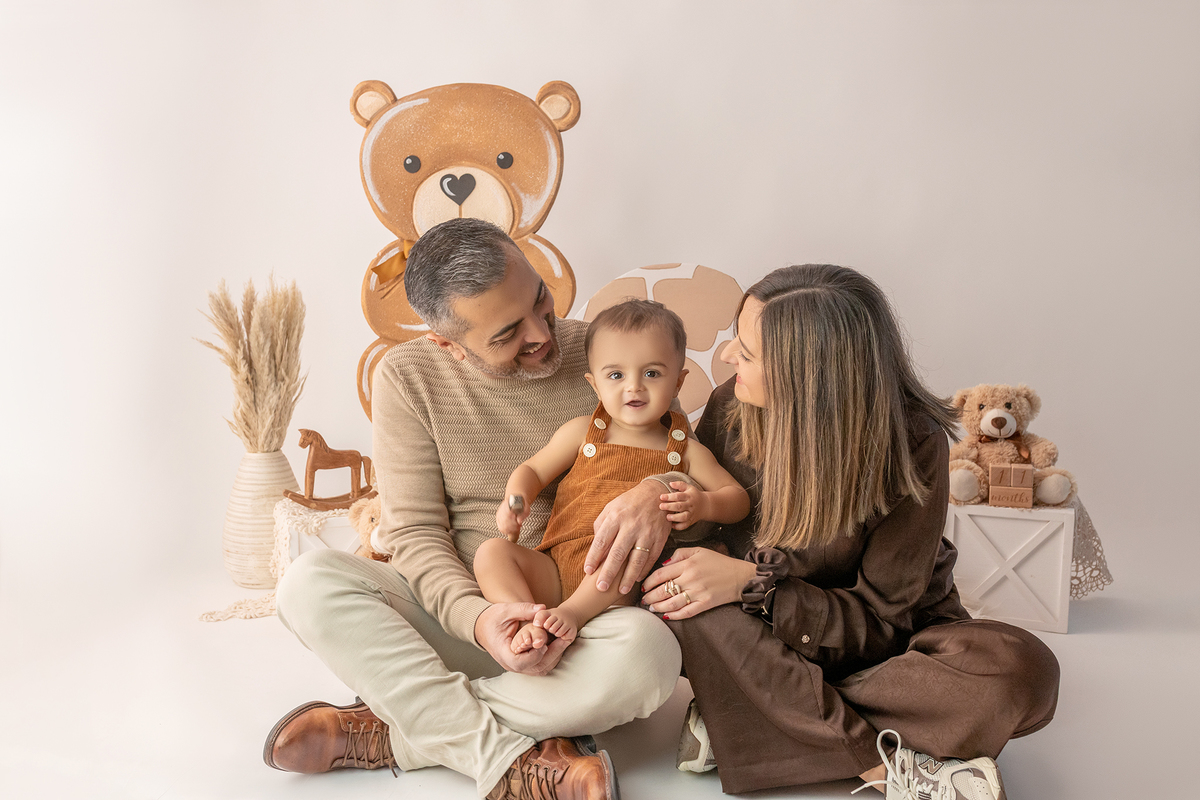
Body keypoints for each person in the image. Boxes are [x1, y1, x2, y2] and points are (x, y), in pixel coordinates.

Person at [263, 218, 683, 800]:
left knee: (650, 656)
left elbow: (684, 455)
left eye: (540, 299)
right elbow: (415, 536)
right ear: (446, 342)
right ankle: (503, 756)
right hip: (458, 618)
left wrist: (658, 491)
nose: (542, 334)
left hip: (577, 620)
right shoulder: (408, 377)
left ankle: (398, 731)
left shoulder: (614, 353)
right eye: (508, 334)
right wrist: (482, 622)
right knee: (306, 583)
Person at [640, 265, 1060, 799]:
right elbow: (700, 546)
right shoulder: (731, 406)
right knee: (686, 600)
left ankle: (745, 715)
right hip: (755, 634)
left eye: (746, 353)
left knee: (1025, 674)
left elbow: (882, 621)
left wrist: (757, 585)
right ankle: (883, 769)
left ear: (808, 377)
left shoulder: (912, 443)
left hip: (877, 646)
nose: (727, 358)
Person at [475, 299, 750, 653]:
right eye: (616, 375)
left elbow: (738, 499)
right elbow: (531, 470)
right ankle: (526, 618)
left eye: (652, 373)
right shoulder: (581, 433)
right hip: (556, 571)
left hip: (623, 584)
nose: (633, 388)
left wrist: (704, 504)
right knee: (491, 553)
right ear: (594, 384)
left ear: (679, 382)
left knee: (627, 545)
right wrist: (515, 503)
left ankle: (571, 616)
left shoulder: (686, 451)